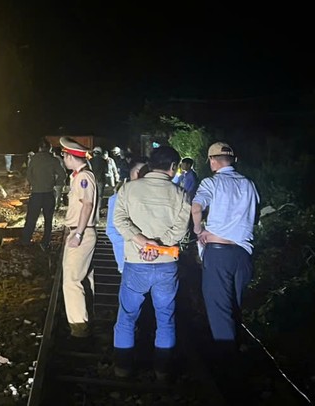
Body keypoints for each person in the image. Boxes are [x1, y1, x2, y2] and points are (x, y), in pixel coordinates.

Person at [111, 145, 190, 380]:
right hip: (166, 264)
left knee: (126, 317)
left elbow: (119, 220)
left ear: (151, 164)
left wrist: (142, 242)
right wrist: (159, 246)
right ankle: (162, 370)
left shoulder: (129, 189)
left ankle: (122, 368)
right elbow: (180, 228)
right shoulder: (181, 194)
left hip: (136, 263)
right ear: (173, 167)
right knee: (165, 318)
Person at [191, 142, 259, 357]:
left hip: (218, 253)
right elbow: (255, 215)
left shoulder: (211, 183)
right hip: (243, 253)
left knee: (219, 307)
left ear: (212, 160)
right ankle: (239, 348)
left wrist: (198, 228)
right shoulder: (249, 184)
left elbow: (196, 207)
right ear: (234, 160)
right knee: (235, 305)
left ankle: (227, 359)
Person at [59, 137, 98, 340]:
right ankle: (86, 319)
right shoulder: (80, 176)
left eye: (63, 155)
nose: (62, 158)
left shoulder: (84, 177)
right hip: (80, 231)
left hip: (81, 232)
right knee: (83, 278)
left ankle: (78, 327)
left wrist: (78, 234)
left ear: (69, 156)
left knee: (71, 281)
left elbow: (87, 206)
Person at [18, 138, 65, 248]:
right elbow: (62, 175)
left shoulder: (34, 159)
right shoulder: (54, 160)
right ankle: (45, 241)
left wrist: (34, 184)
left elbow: (29, 175)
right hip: (49, 194)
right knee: (48, 220)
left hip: (36, 194)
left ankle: (26, 240)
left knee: (31, 218)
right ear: (50, 148)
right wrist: (54, 183)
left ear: (39, 148)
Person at [105, 159, 148, 273]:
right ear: (132, 172)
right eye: (139, 171)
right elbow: (112, 229)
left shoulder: (151, 196)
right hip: (128, 257)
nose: (142, 175)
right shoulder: (119, 196)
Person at [89, 147, 107, 220]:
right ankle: (97, 214)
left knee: (92, 196)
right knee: (99, 197)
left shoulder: (90, 161)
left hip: (92, 180)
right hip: (100, 181)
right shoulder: (104, 161)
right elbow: (106, 170)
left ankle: (91, 213)